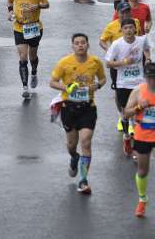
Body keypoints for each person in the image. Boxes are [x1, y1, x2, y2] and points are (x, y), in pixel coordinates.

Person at [49, 33, 106, 195]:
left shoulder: (95, 62)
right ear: (72, 46)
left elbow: (103, 79)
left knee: (86, 142)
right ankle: (74, 157)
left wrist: (97, 86)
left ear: (88, 45)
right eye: (77, 43)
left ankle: (83, 180)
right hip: (69, 108)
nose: (80, 45)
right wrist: (66, 88)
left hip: (88, 107)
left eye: (83, 42)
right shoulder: (64, 63)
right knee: (71, 145)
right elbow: (52, 82)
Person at [124, 62, 155, 223]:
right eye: (149, 77)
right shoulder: (138, 91)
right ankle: (142, 199)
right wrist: (139, 107)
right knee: (142, 171)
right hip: (142, 135)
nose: (152, 80)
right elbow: (126, 113)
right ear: (145, 77)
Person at [105, 19, 152, 157]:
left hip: (139, 83)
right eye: (126, 28)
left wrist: (148, 59)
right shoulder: (117, 44)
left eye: (131, 27)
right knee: (125, 114)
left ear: (135, 28)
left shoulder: (142, 40)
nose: (129, 30)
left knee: (138, 114)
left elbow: (147, 48)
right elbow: (108, 63)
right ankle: (126, 136)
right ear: (122, 30)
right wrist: (123, 62)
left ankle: (137, 148)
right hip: (123, 84)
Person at [7, 0, 49, 99]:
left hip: (34, 27)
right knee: (23, 57)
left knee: (33, 56)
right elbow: (10, 1)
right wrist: (10, 12)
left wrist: (37, 6)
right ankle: (25, 87)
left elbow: (47, 4)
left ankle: (34, 72)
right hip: (19, 27)